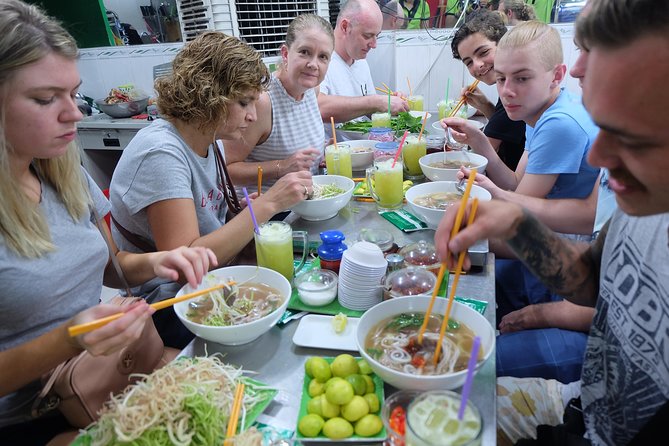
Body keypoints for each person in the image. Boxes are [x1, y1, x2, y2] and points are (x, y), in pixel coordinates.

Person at [436, 0, 669, 442]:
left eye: (632, 137)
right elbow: (594, 278)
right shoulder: (643, 209)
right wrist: (513, 225)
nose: (597, 159)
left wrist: (537, 312)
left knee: (460, 378)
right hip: (586, 405)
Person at [0, 1, 217, 443]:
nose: (74, 114)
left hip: (105, 376)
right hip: (28, 418)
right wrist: (70, 338)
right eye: (45, 99)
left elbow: (112, 264)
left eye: (72, 93)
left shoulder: (62, 172)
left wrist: (159, 261)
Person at [109, 32, 312, 348]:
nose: (252, 115)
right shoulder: (161, 152)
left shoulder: (209, 141)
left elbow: (211, 218)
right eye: (244, 102)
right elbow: (186, 264)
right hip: (167, 306)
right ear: (208, 96)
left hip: (216, 283)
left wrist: (243, 210)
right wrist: (267, 205)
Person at [224, 14, 332, 192]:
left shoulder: (312, 91)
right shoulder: (262, 101)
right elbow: (227, 170)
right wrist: (281, 166)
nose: (314, 64)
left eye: (323, 57)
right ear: (285, 53)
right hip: (266, 212)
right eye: (304, 52)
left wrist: (322, 153)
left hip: (306, 203)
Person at [319, 0, 409, 139]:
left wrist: (389, 105)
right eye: (367, 36)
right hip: (336, 154)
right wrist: (376, 101)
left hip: (364, 148)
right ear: (345, 27)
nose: (374, 45)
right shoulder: (320, 59)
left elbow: (370, 110)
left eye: (376, 36)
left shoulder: (360, 60)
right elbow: (319, 107)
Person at [450, 9, 526, 170]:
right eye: (469, 62)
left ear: (505, 44)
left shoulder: (516, 93)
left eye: (483, 52)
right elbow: (506, 127)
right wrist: (484, 105)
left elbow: (481, 157)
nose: (477, 65)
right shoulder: (505, 87)